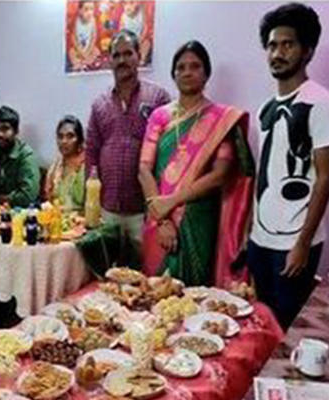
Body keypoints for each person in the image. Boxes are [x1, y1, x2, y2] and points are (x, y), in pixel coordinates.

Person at [247, 3, 329, 329]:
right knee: (262, 323)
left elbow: (325, 178)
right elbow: (264, 172)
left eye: (288, 44)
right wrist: (249, 233)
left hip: (295, 243)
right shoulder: (265, 108)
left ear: (308, 50)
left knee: (286, 330)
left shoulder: (320, 101)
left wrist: (302, 244)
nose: (277, 53)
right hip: (260, 240)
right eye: (272, 45)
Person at [138, 40, 255, 287]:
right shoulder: (160, 116)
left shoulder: (220, 119)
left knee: (194, 295)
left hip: (198, 218)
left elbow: (220, 174)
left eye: (195, 66)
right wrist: (162, 219)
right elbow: (143, 169)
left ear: (206, 73)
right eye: (181, 67)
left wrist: (172, 201)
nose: (187, 72)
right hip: (159, 216)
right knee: (155, 292)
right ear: (173, 75)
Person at [85, 30, 170, 255]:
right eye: (116, 55)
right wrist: (91, 202)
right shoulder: (100, 104)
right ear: (109, 61)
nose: (122, 60)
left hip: (145, 208)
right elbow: (91, 152)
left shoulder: (158, 98)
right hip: (108, 207)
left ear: (139, 56)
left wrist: (163, 206)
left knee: (146, 268)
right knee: (108, 268)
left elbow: (168, 152)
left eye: (128, 53)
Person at [43, 115, 85, 212]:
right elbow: (49, 199)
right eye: (60, 136)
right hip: (57, 218)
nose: (64, 141)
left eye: (70, 136)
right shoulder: (56, 167)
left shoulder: (87, 167)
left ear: (80, 140)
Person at [67, 0, 101, 71]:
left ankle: (84, 63)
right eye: (86, 9)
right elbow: (73, 37)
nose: (89, 13)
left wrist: (88, 51)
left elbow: (93, 37)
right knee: (71, 52)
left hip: (89, 48)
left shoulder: (93, 20)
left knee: (96, 51)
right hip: (78, 48)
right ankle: (79, 64)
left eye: (91, 9)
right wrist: (80, 51)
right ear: (80, 11)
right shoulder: (76, 21)